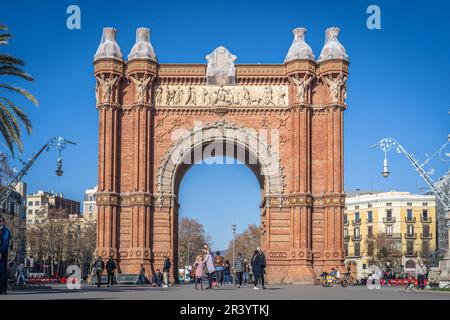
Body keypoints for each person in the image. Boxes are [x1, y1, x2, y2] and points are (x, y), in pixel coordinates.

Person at [0, 216, 11, 295]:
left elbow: (5, 242)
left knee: (2, 272)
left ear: (3, 222)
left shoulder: (6, 230)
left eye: (1, 220)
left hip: (2, 253)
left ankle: (3, 289)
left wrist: (0, 252)